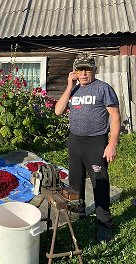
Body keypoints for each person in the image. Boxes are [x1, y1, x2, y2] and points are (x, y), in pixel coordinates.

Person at [55, 53, 121, 242]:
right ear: (75, 72)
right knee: (75, 181)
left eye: (87, 70)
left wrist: (112, 143)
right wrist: (69, 86)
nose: (83, 74)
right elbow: (58, 111)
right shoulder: (73, 90)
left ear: (94, 70)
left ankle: (104, 223)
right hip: (75, 141)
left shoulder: (103, 89)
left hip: (95, 142)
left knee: (99, 183)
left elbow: (115, 117)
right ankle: (79, 213)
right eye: (80, 70)